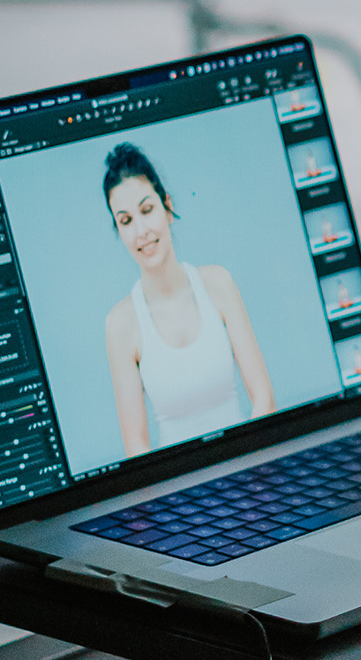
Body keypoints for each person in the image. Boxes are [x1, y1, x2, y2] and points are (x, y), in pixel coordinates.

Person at [101, 141, 276, 455]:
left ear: (167, 207)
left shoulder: (218, 284)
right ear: (119, 230)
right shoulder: (121, 324)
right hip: (175, 491)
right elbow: (136, 447)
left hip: (248, 468)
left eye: (147, 210)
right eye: (126, 221)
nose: (141, 230)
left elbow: (264, 397)